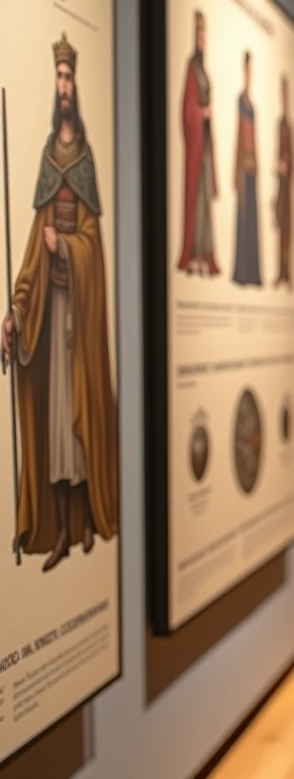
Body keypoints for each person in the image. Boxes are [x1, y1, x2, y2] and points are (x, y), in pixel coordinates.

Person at [2, 32, 119, 572]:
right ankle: (64, 530)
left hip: (80, 314)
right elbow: (30, 254)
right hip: (52, 316)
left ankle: (85, 521)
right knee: (56, 433)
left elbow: (92, 242)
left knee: (81, 421)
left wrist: (67, 246)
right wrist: (17, 313)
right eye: (60, 78)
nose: (65, 86)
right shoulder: (50, 159)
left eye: (70, 77)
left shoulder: (88, 160)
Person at [179, 9, 219, 277]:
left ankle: (205, 253)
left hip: (204, 146)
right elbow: (187, 108)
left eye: (205, 35)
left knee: (205, 199)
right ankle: (191, 254)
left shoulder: (204, 69)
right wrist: (201, 113)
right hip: (195, 147)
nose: (202, 40)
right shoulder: (192, 67)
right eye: (200, 35)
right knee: (194, 198)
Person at [232, 50, 262, 287]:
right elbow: (238, 137)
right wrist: (239, 165)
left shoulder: (252, 105)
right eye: (247, 71)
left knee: (252, 218)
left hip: (252, 171)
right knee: (243, 219)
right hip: (244, 170)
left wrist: (256, 162)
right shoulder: (240, 101)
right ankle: (242, 272)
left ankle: (253, 272)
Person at [273, 74, 294, 289]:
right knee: (280, 231)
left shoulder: (289, 127)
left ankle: (287, 272)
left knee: (287, 232)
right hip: (280, 189)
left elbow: (292, 158)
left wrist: (287, 166)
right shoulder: (279, 125)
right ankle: (281, 271)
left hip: (287, 190)